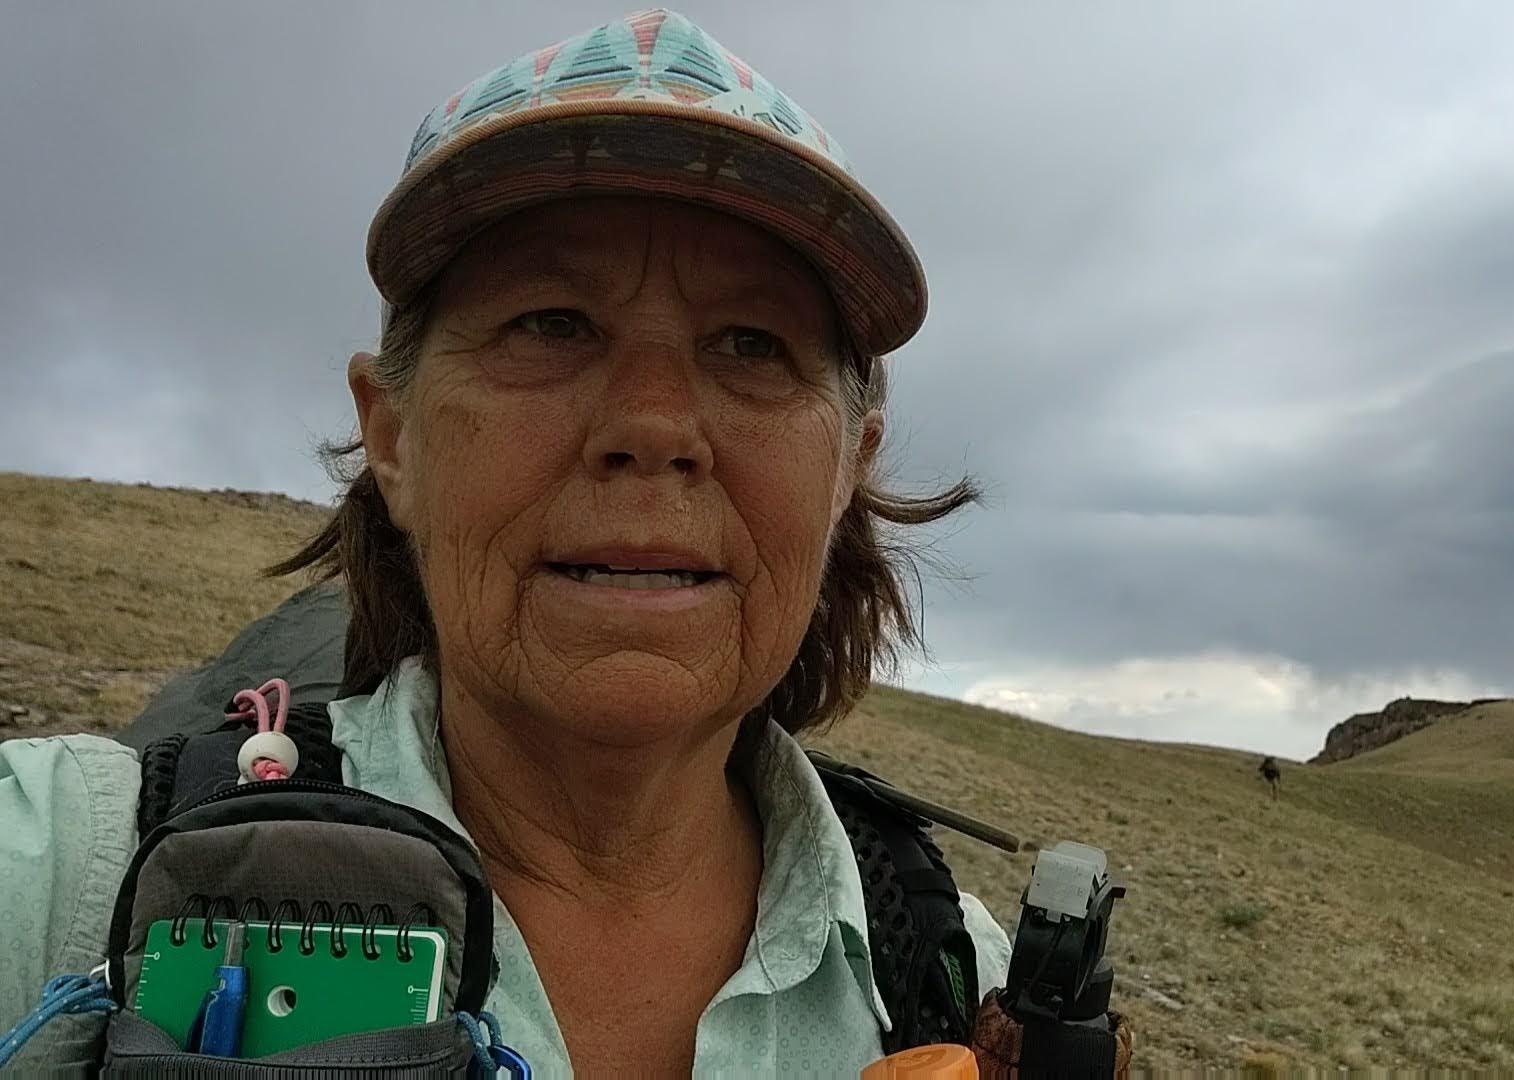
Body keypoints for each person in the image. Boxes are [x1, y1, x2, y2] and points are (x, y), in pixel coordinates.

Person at [0, 9, 1012, 1073]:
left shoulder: (963, 977)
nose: (654, 424)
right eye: (551, 323)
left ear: (849, 464)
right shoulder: (64, 871)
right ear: (393, 435)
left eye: (753, 344)